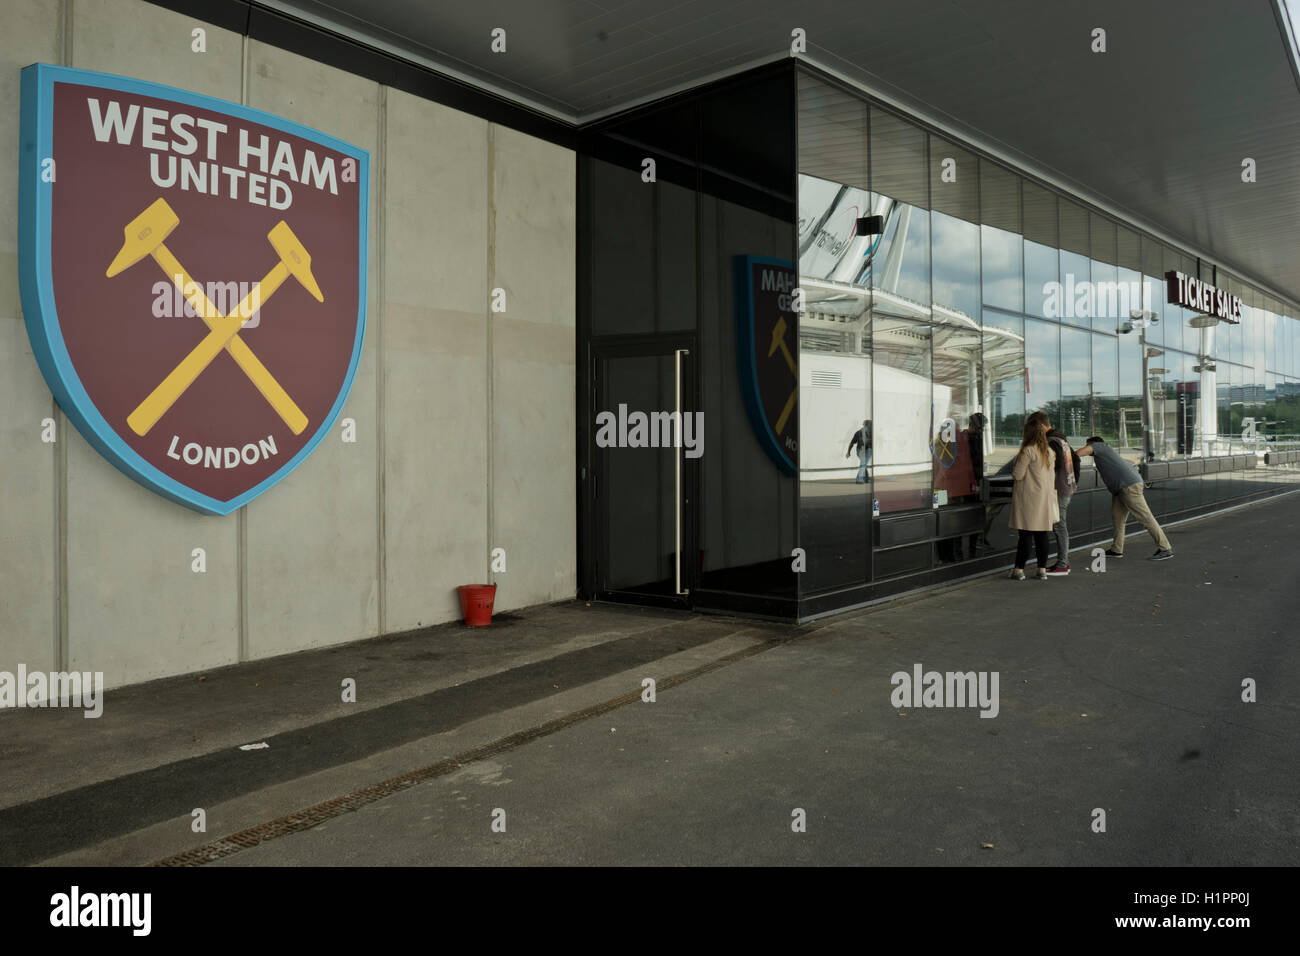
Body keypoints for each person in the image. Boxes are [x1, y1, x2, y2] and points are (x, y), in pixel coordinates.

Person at [1077, 437, 1173, 560]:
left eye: (1088, 445)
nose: (1088, 448)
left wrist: (1066, 456)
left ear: (1093, 443)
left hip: (1128, 487)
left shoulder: (1100, 446)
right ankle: (1117, 549)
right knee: (1118, 518)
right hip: (1120, 490)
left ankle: (1165, 548)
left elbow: (1079, 453)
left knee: (1145, 517)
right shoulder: (1105, 453)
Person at [1008, 411, 1059, 580]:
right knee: (1042, 535)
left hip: (1028, 500)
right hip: (1045, 499)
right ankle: (1042, 570)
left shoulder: (1028, 451)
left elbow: (1018, 474)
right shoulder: (1050, 452)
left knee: (1025, 536)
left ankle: (1019, 570)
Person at [1045, 427, 1080, 575]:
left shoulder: (1052, 443)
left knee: (1059, 527)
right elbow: (1077, 460)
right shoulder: (1064, 443)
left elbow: (1054, 465)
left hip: (1059, 490)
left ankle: (1063, 564)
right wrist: (1074, 483)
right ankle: (1061, 562)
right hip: (1067, 488)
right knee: (1059, 526)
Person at [846, 419, 872, 484]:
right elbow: (852, 443)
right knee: (863, 463)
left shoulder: (871, 433)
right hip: (860, 450)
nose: (870, 426)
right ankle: (859, 479)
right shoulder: (858, 433)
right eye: (869, 425)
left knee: (864, 464)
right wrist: (848, 452)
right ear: (865, 425)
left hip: (869, 450)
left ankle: (866, 479)